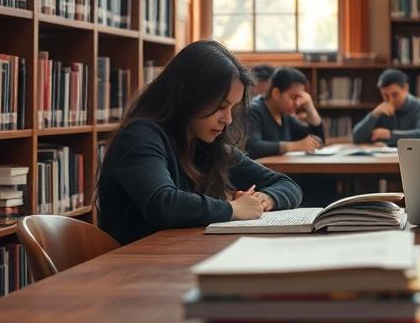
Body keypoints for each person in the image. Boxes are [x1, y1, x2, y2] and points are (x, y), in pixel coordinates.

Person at [96, 40, 303, 245]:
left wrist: (265, 199)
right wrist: (233, 208)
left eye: (232, 109)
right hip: (136, 261)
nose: (228, 119)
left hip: (180, 254)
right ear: (188, 96)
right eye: (221, 107)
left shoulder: (206, 144)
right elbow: (162, 204)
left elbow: (287, 185)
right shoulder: (140, 135)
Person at [246, 67, 325, 157]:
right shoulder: (253, 110)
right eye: (293, 97)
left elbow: (318, 142)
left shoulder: (285, 115)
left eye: (299, 97)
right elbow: (252, 147)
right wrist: (295, 146)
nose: (297, 103)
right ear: (276, 93)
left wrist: (311, 109)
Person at [351, 69, 420, 146]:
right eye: (385, 95)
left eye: (395, 95)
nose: (390, 100)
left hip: (413, 157)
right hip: (388, 157)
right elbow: (356, 138)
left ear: (405, 89)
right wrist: (374, 115)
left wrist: (390, 135)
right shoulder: (382, 110)